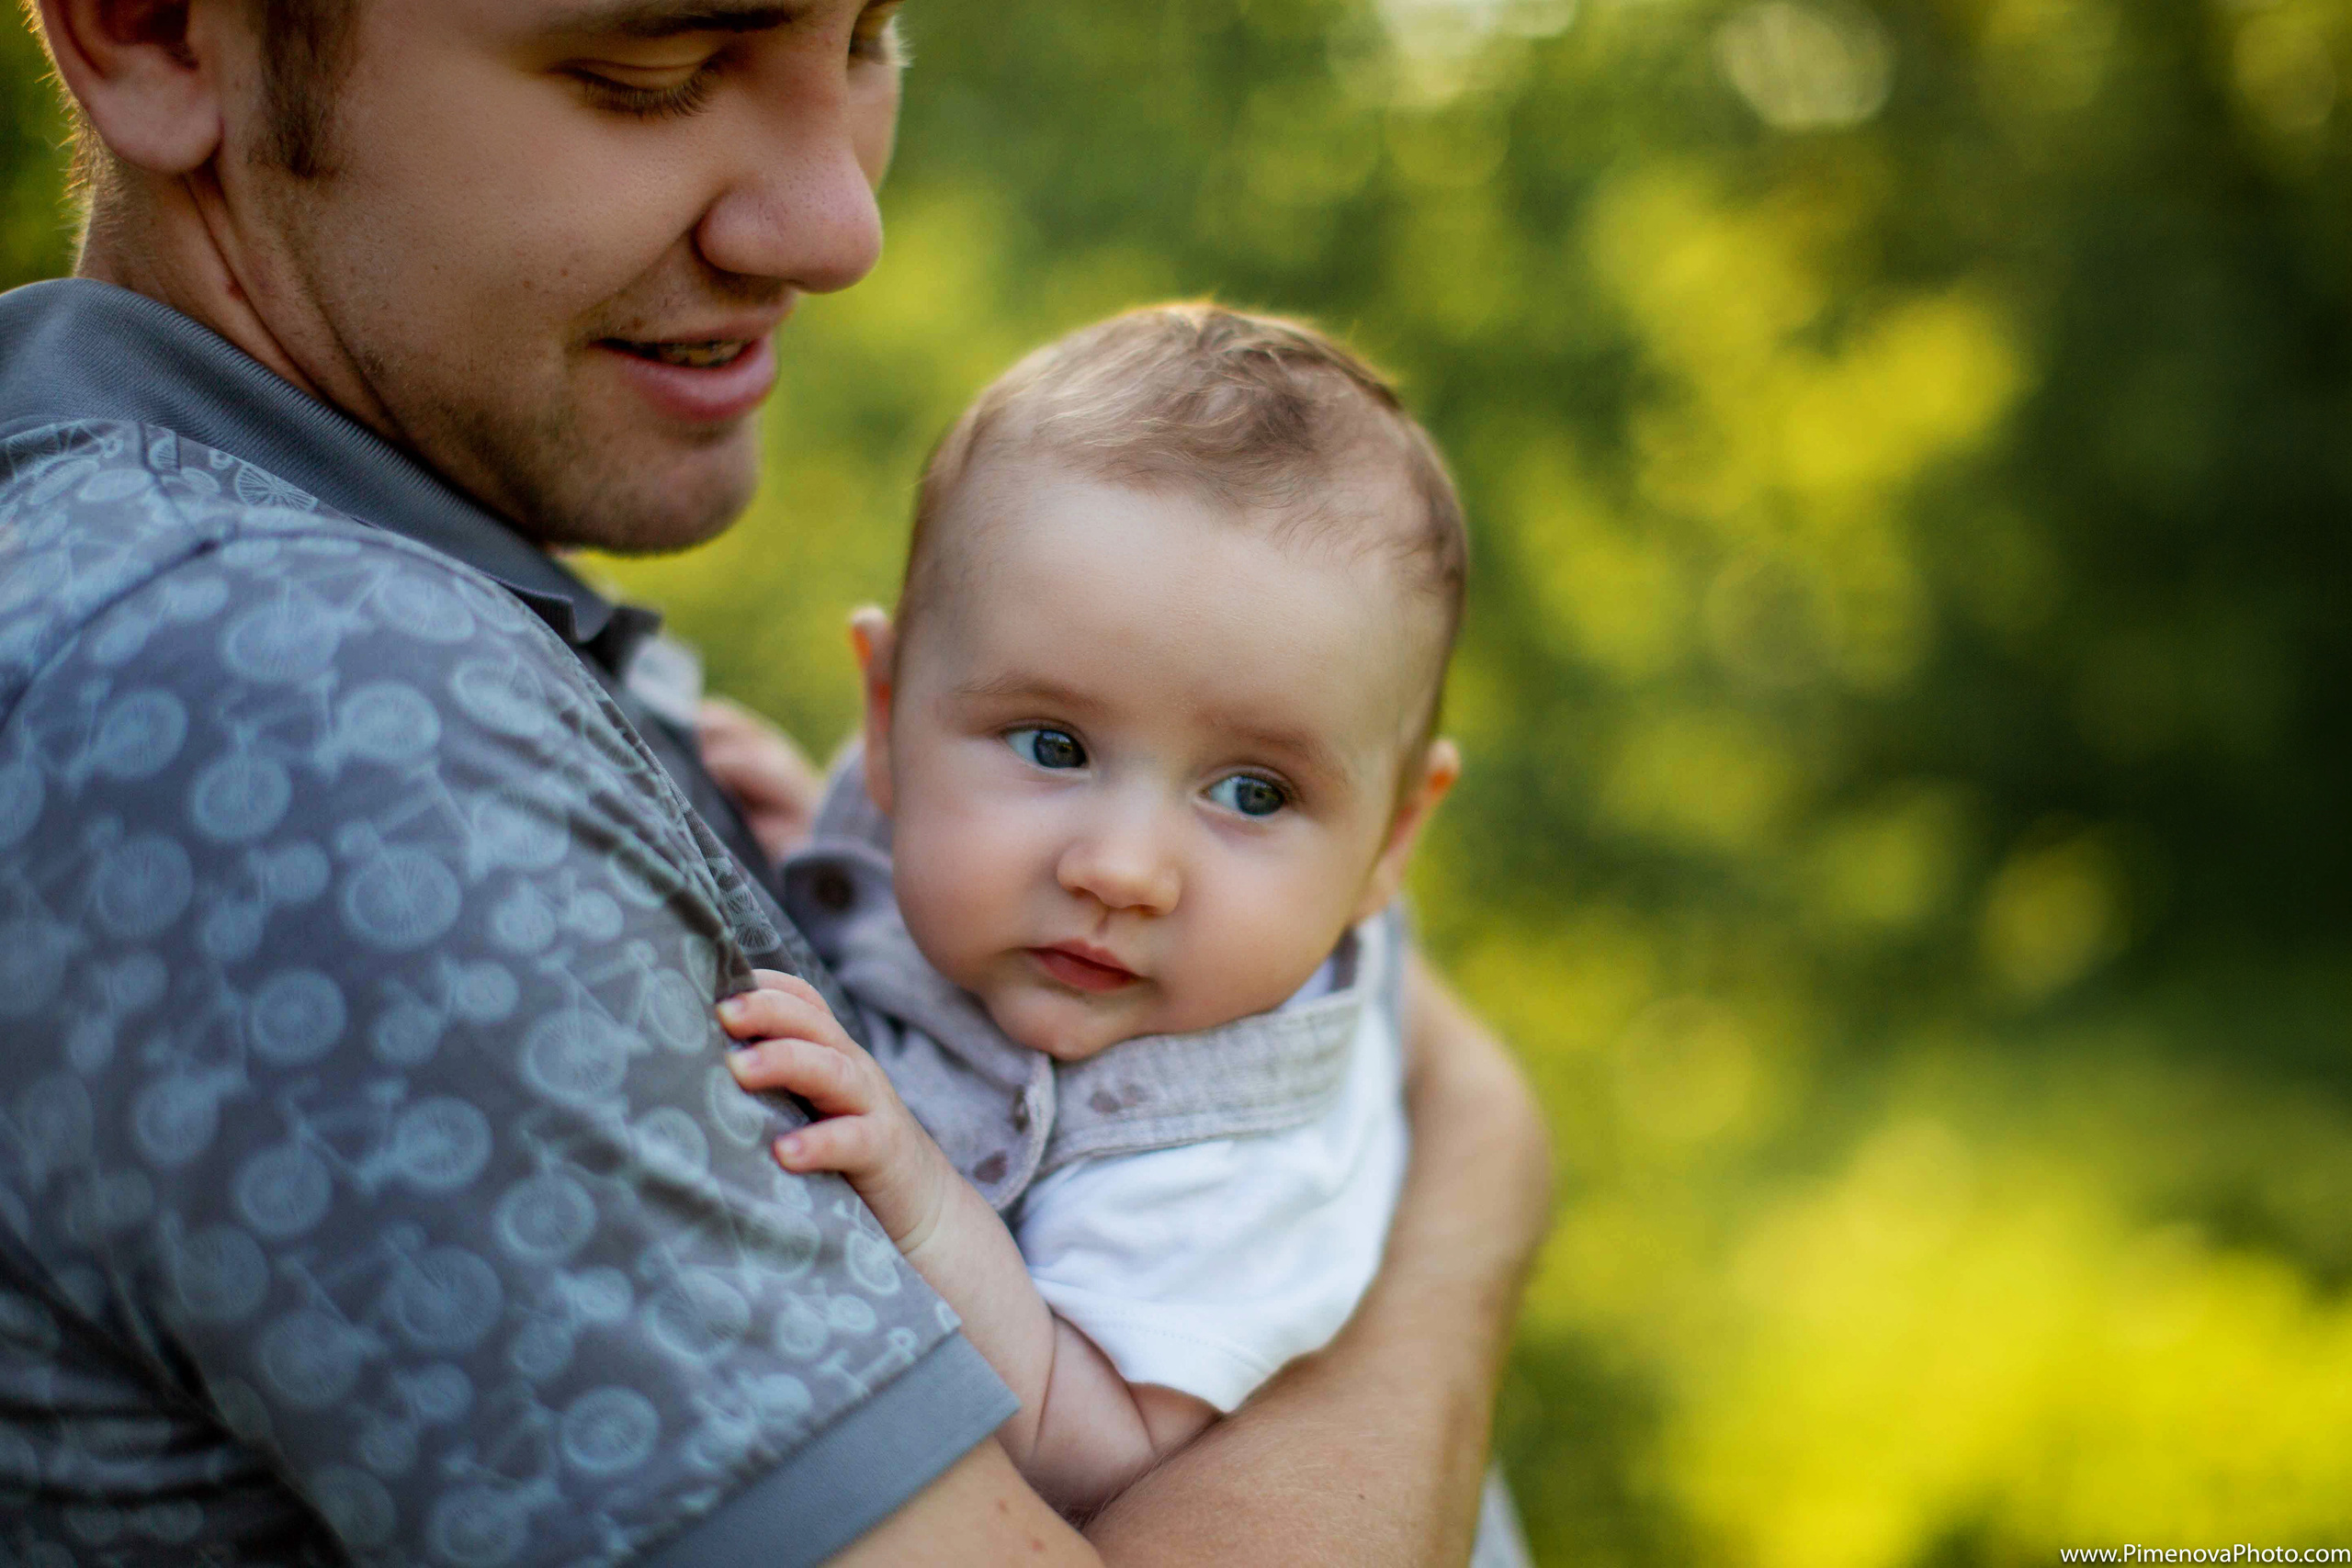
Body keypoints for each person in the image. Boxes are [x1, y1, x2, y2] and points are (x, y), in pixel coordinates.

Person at [0, 3, 1552, 1565]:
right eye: (651, 73)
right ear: (151, 33)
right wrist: (1475, 1180)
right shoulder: (294, 698)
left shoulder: (404, 611)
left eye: (877, 38)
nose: (839, 225)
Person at [715, 304, 1524, 1543]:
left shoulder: (1223, 1161)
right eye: (1055, 745)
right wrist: (817, 847)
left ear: (1393, 844)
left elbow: (1104, 1451)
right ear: (885, 721)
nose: (1125, 869)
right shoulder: (954, 833)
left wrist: (927, 1199)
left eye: (1253, 793)